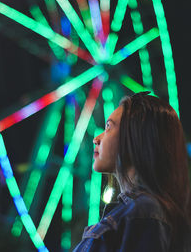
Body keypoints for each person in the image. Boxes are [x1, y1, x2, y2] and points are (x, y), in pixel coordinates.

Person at [73, 91, 191, 252]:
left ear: (136, 136)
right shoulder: (135, 212)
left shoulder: (145, 212)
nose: (96, 139)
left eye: (108, 127)